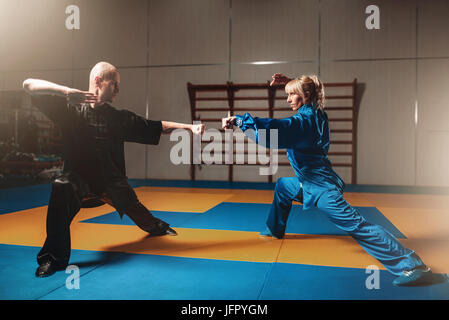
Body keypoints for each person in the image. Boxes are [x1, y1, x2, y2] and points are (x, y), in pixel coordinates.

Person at [222, 73, 432, 286]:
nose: (287, 99)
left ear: (306, 95)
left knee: (357, 225)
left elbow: (272, 130)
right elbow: (309, 96)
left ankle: (412, 266)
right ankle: (274, 229)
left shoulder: (301, 122)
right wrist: (291, 83)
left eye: (292, 95)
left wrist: (240, 121)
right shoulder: (318, 114)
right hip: (311, 181)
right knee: (284, 186)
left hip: (322, 189)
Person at [23, 61, 205, 277]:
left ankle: (156, 227)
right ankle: (52, 259)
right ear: (98, 81)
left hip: (111, 183)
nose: (118, 90)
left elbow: (156, 126)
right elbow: (28, 84)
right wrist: (66, 92)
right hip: (77, 183)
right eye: (115, 84)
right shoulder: (69, 110)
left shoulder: (118, 118)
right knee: (61, 186)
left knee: (136, 209)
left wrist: (188, 127)